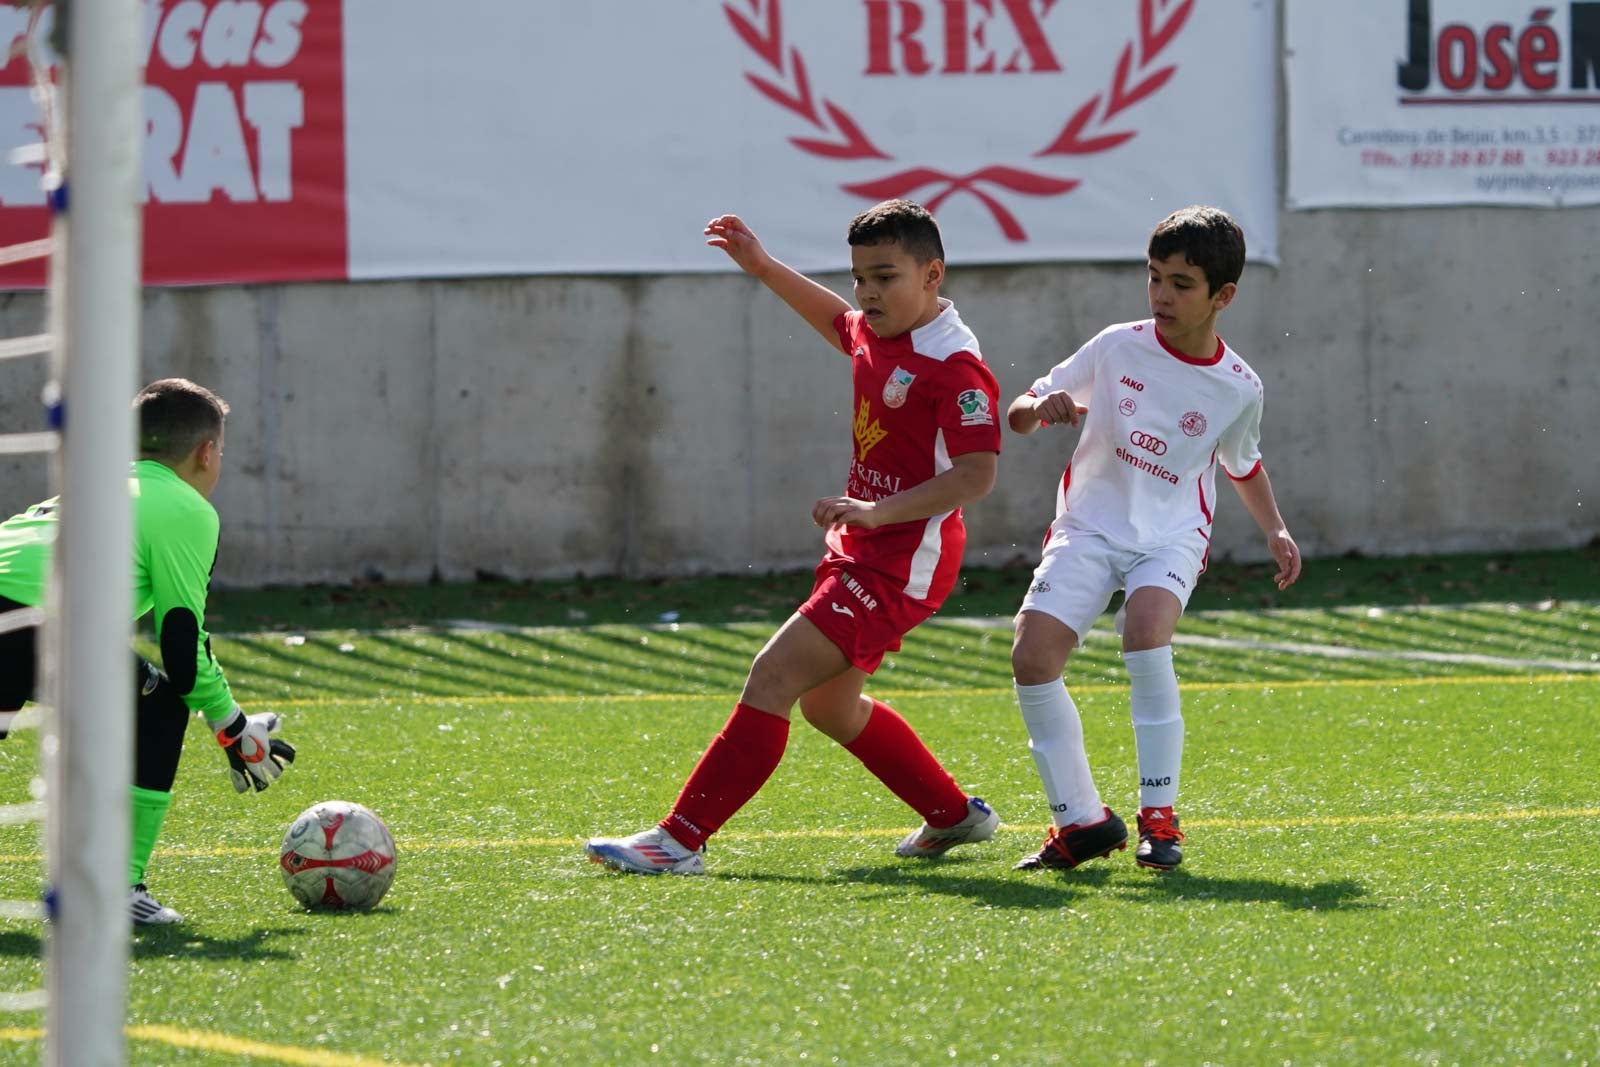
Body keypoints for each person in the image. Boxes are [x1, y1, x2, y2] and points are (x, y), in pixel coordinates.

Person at [587, 199, 1003, 874]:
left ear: (933, 275)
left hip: (904, 561)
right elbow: (838, 322)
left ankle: (678, 840)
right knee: (831, 708)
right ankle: (954, 815)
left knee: (773, 673)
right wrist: (762, 266)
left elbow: (978, 475)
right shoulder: (878, 325)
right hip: (865, 547)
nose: (867, 292)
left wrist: (876, 512)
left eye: (885, 276)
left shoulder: (953, 366)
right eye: (860, 276)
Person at [1005, 205, 1301, 873]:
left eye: (1182, 284)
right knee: (1032, 656)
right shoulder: (1117, 345)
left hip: (1170, 534)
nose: (1162, 294)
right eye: (1155, 277)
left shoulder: (1239, 387)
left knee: (1144, 632)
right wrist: (1038, 411)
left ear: (1223, 296)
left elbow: (1242, 462)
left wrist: (1275, 527)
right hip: (1088, 524)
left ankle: (1159, 815)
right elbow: (1022, 408)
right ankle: (1079, 821)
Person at [0, 377, 296, 924]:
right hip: (36, 622)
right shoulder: (186, 508)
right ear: (207, 452)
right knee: (160, 705)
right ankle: (118, 886)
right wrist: (231, 725)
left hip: (20, 612)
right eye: (222, 451)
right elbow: (182, 645)